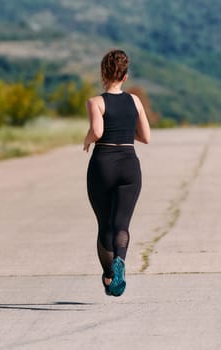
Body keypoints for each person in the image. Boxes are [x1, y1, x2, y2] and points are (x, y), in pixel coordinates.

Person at [83, 49, 150, 297]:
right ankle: (120, 260)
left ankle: (110, 276)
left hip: (104, 164)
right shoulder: (135, 101)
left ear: (103, 74)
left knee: (105, 226)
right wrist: (124, 130)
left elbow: (98, 131)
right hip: (129, 166)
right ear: (125, 76)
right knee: (122, 224)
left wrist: (87, 139)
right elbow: (146, 137)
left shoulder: (95, 102)